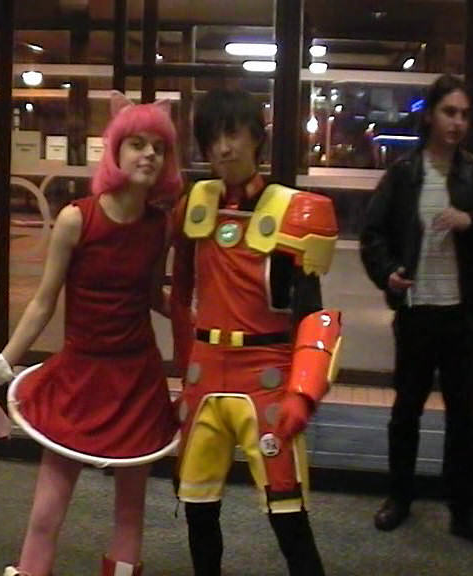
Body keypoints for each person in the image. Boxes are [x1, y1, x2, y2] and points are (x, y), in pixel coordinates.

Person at [0, 93, 182, 576]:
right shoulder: (77, 218)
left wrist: (199, 318)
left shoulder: (160, 225)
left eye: (158, 147)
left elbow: (151, 295)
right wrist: (0, 366)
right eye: (137, 143)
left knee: (131, 509)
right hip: (80, 376)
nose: (148, 154)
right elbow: (43, 301)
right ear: (115, 151)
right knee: (48, 506)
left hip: (137, 379)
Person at [170, 88, 342, 576]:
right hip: (205, 377)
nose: (223, 148)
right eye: (212, 138)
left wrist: (302, 394)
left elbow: (314, 316)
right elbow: (180, 297)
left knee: (287, 510)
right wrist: (184, 368)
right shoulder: (193, 205)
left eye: (232, 134)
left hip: (266, 376)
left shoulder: (293, 211)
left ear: (255, 137)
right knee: (198, 506)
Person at [360, 73, 473, 550]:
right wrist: (388, 273)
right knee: (406, 410)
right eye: (449, 112)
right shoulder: (404, 174)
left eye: (464, 114)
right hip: (417, 312)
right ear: (430, 116)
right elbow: (373, 235)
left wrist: (471, 221)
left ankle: (464, 511)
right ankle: (399, 498)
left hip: (461, 314)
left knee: (466, 417)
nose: (458, 122)